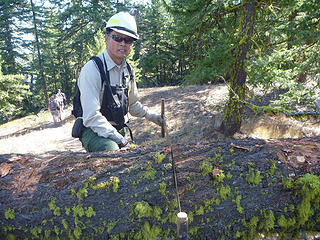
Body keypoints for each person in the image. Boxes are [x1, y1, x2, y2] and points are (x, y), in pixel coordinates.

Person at [75, 11, 164, 152]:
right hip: (92, 129)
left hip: (117, 129)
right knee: (111, 151)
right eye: (117, 38)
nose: (123, 43)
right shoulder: (92, 69)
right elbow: (91, 116)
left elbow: (132, 105)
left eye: (128, 40)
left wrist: (153, 117)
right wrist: (119, 139)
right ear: (106, 38)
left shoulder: (128, 71)